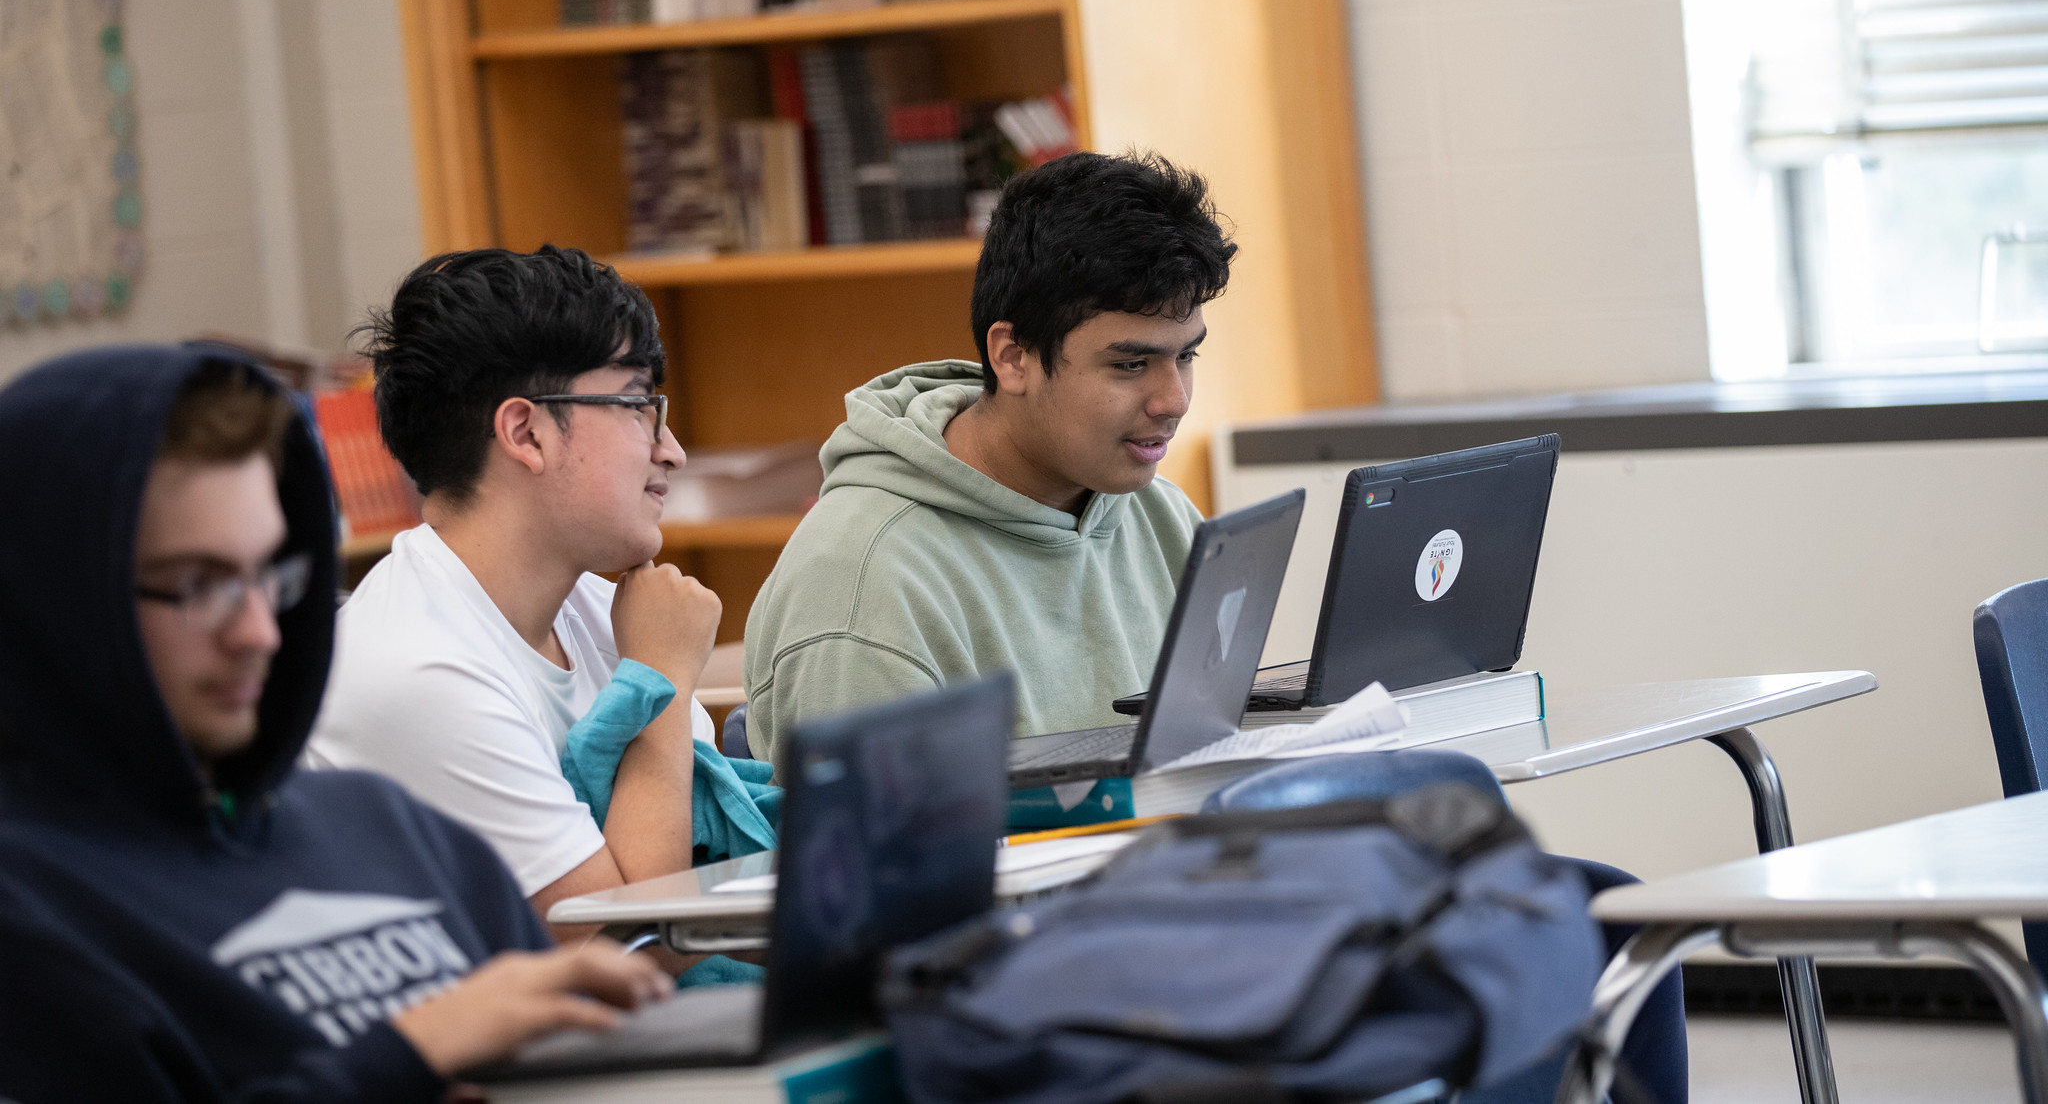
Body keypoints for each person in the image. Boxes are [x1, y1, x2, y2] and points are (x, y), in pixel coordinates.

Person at [0, 345, 674, 1102]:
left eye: (269, 575)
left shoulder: (386, 826)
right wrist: (414, 1050)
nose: (258, 629)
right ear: (55, 600)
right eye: (199, 583)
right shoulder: (32, 908)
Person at [743, 150, 1234, 766]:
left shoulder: (1161, 515)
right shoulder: (865, 584)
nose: (1174, 400)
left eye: (1186, 357)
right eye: (1130, 364)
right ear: (1012, 356)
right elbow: (883, 860)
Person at [306, 247, 727, 930]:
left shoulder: (598, 605)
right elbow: (637, 947)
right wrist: (663, 685)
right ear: (526, 432)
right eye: (636, 405)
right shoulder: (417, 669)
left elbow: (716, 852)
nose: (671, 449)